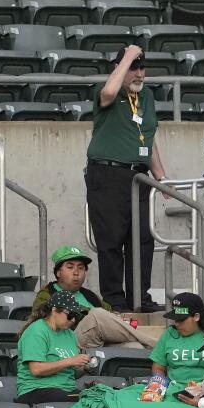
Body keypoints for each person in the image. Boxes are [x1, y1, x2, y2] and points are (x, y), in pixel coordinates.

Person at [85, 46, 167, 312]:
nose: (138, 73)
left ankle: (139, 298)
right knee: (111, 240)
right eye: (134, 67)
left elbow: (147, 139)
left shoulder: (148, 97)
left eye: (142, 68)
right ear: (119, 68)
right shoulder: (108, 89)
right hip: (108, 173)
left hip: (139, 176)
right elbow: (108, 93)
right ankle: (115, 300)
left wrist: (161, 177)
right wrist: (128, 56)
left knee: (143, 239)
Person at [30, 245, 161, 348]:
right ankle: (159, 344)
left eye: (81, 268)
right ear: (58, 272)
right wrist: (89, 313)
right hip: (67, 341)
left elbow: (108, 313)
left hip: (99, 343)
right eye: (70, 267)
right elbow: (43, 317)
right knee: (96, 314)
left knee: (135, 347)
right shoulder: (47, 293)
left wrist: (117, 318)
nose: (76, 273)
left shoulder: (89, 295)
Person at [16, 289, 91, 405]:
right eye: (70, 315)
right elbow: (36, 369)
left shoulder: (71, 335)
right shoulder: (36, 331)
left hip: (66, 389)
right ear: (54, 310)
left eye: (76, 316)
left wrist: (84, 368)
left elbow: (70, 372)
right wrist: (70, 361)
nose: (73, 320)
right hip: (36, 390)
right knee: (75, 400)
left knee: (96, 398)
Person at [151, 292, 204, 385]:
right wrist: (160, 386)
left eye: (181, 319)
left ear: (196, 317)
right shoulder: (169, 333)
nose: (176, 323)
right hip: (172, 390)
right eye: (175, 319)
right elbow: (158, 367)